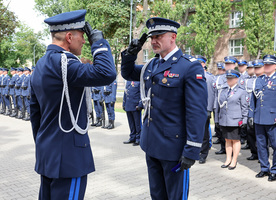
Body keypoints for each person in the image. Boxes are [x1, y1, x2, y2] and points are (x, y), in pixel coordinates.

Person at [30, 10, 116, 199]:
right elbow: (107, 73)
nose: (85, 41)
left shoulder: (41, 64)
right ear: (69, 37)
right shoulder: (65, 63)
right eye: (83, 36)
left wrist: (45, 144)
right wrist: (99, 43)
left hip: (48, 154)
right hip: (69, 158)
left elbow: (34, 113)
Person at [121, 17, 207, 200]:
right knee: (157, 195)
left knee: (175, 196)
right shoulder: (152, 64)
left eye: (159, 36)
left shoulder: (189, 67)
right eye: (152, 37)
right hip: (151, 144)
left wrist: (192, 149)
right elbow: (128, 73)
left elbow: (196, 112)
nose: (153, 41)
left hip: (174, 148)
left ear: (173, 37)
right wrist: (130, 53)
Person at [249, 55, 276, 182]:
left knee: (275, 145)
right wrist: (250, 115)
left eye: (269, 64)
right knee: (261, 145)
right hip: (259, 118)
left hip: (273, 118)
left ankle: (275, 170)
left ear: (275, 66)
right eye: (265, 64)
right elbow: (252, 100)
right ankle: (265, 168)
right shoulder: (259, 80)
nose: (267, 66)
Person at [216, 69, 248, 170]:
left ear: (236, 79)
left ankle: (234, 160)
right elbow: (218, 106)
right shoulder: (223, 90)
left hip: (235, 120)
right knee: (227, 139)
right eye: (228, 78)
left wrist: (245, 120)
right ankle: (228, 159)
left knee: (235, 140)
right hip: (224, 120)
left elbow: (245, 107)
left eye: (231, 78)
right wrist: (217, 119)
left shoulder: (241, 91)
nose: (229, 80)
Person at [214, 56, 238, 155]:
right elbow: (216, 94)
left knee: (233, 134)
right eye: (226, 64)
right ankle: (224, 148)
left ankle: (233, 153)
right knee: (222, 130)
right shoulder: (220, 78)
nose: (228, 66)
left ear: (234, 65)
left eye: (230, 64)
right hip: (221, 107)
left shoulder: (238, 77)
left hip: (233, 108)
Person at [195, 55, 215, 164]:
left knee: (204, 134)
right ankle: (195, 151)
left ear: (204, 64)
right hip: (192, 109)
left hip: (203, 109)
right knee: (194, 132)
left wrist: (208, 109)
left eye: (200, 62)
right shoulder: (191, 74)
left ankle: (203, 154)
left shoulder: (209, 77)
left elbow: (211, 95)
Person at [242, 61, 258, 160]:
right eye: (248, 68)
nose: (249, 70)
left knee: (259, 134)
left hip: (257, 109)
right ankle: (254, 153)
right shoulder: (243, 79)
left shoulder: (258, 80)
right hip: (247, 108)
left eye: (251, 68)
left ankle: (260, 154)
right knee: (250, 132)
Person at [123, 80, 143, 146]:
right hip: (128, 105)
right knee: (131, 123)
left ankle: (139, 138)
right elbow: (125, 93)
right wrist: (124, 103)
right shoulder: (128, 81)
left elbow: (141, 93)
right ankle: (132, 137)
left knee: (137, 124)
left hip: (135, 105)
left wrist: (140, 104)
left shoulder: (139, 81)